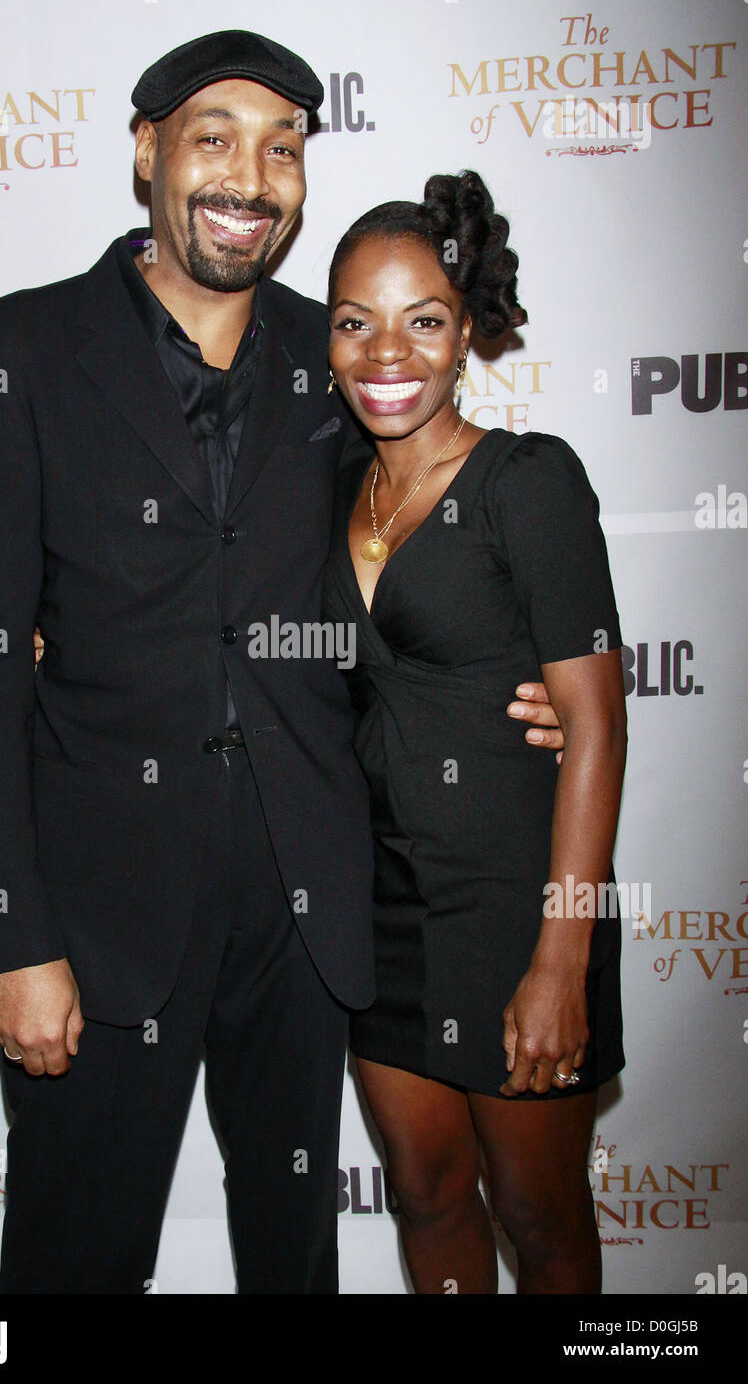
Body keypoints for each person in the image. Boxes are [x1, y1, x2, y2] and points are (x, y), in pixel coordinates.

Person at [0, 31, 564, 1295]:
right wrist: (14, 939)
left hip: (301, 907)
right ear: (145, 151)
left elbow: (404, 541)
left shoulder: (331, 352)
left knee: (295, 1261)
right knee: (70, 1261)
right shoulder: (14, 355)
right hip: (96, 922)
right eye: (214, 136)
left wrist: (506, 684)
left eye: (282, 147)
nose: (251, 174)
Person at [323, 170, 627, 1294]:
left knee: (540, 1218)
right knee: (426, 1197)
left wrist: (562, 957)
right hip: (380, 914)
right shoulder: (322, 494)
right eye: (355, 323)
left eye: (423, 320)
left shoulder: (528, 483)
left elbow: (594, 731)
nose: (386, 352)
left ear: (464, 334)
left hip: (515, 911)